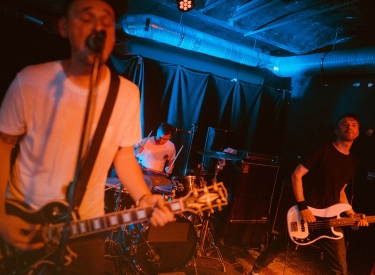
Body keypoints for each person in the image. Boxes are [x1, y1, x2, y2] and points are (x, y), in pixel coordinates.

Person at [0, 0, 174, 274]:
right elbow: (3, 145)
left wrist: (144, 197)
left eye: (107, 20)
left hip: (86, 226)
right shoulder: (31, 81)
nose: (99, 27)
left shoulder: (126, 95)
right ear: (64, 26)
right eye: (87, 17)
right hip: (23, 222)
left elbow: (124, 155)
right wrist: (1, 215)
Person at [248, 113, 369, 275]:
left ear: (358, 133)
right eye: (344, 124)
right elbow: (296, 175)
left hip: (331, 221)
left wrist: (352, 214)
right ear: (336, 130)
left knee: (340, 269)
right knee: (280, 246)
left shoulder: (353, 162)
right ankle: (255, 271)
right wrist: (303, 207)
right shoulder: (323, 150)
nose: (349, 128)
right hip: (307, 214)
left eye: (354, 125)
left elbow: (340, 192)